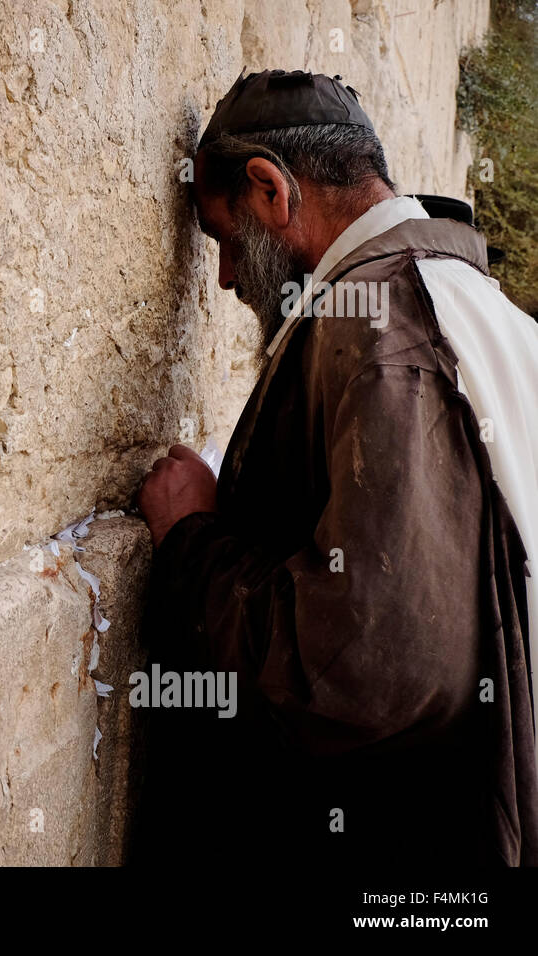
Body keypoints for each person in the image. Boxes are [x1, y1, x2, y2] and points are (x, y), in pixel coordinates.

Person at [135, 70, 538, 866]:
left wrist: (191, 537)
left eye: (223, 237)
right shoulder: (482, 308)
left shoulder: (379, 324)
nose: (223, 278)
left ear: (270, 189)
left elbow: (365, 671)